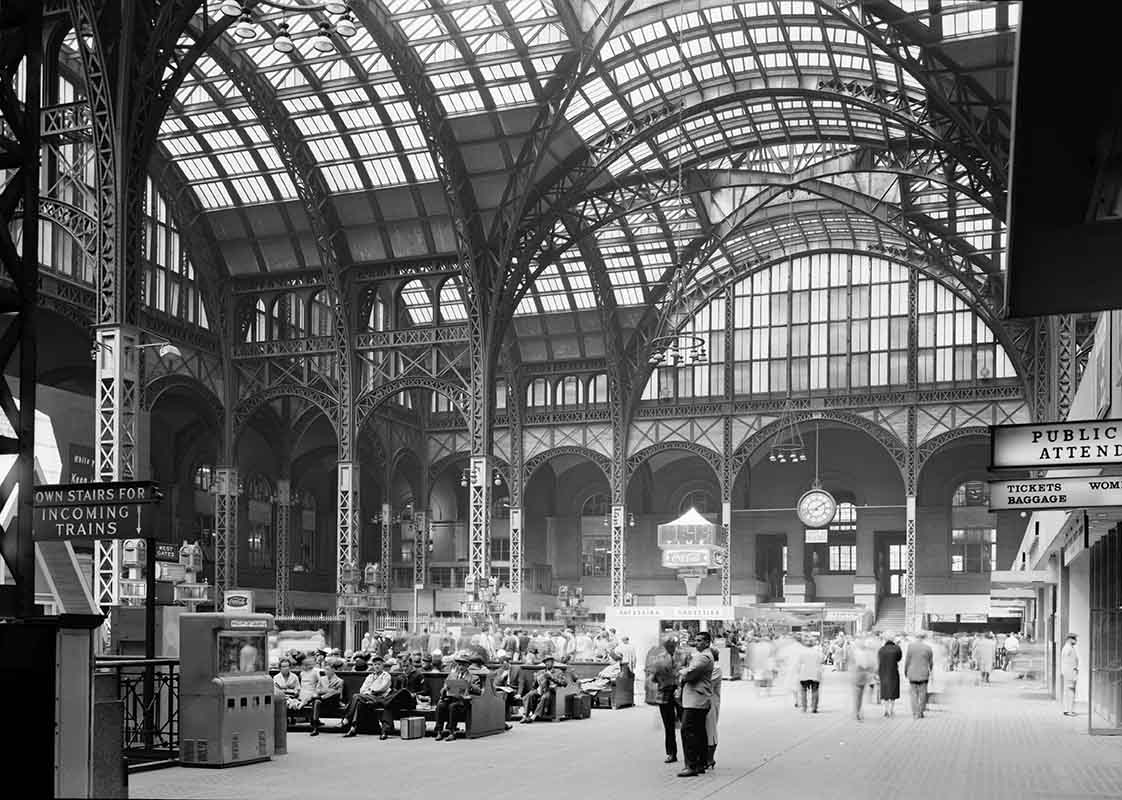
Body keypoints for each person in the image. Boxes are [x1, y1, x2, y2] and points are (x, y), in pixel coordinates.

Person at [676, 631, 714, 778]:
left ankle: (691, 765)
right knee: (698, 732)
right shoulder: (702, 656)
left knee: (688, 731)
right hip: (697, 699)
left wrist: (681, 671)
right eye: (695, 640)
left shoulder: (704, 657)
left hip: (696, 700)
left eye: (699, 641)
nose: (696, 643)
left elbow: (688, 673)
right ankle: (700, 763)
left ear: (706, 642)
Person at [647, 635, 685, 764]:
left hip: (681, 693)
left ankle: (689, 753)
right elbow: (652, 678)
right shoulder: (658, 659)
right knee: (669, 727)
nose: (669, 646)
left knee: (685, 725)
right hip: (664, 693)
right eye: (667, 644)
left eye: (671, 644)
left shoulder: (684, 656)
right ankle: (671, 753)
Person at [342, 655, 393, 738]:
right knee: (358, 701)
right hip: (368, 697)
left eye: (379, 664)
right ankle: (353, 727)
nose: (377, 666)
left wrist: (370, 691)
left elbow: (382, 688)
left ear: (382, 665)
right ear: (372, 666)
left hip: (380, 699)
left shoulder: (386, 675)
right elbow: (362, 689)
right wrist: (368, 692)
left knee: (356, 696)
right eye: (375, 664)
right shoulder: (370, 676)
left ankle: (347, 718)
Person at [434, 652, 482, 741]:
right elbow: (442, 691)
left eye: (463, 665)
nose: (460, 667)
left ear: (467, 665)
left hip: (463, 702)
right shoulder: (451, 676)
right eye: (459, 664)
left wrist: (469, 685)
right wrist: (445, 689)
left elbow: (479, 691)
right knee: (441, 706)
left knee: (453, 706)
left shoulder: (474, 677)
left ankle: (452, 732)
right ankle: (439, 731)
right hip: (450, 698)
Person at [521, 655, 567, 723]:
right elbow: (535, 686)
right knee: (529, 695)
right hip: (540, 690)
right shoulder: (540, 672)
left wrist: (552, 678)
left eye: (549, 662)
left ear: (552, 662)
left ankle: (534, 716)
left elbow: (564, 683)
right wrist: (535, 680)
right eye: (545, 662)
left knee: (544, 697)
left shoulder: (558, 672)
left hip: (552, 691)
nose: (547, 663)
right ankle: (525, 716)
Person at [309, 657, 345, 736]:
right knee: (317, 701)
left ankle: (321, 698)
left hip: (333, 702)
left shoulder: (339, 681)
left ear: (333, 670)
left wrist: (325, 691)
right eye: (325, 669)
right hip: (322, 701)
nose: (326, 671)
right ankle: (315, 727)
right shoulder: (322, 679)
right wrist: (328, 690)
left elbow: (339, 695)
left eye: (328, 670)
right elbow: (317, 690)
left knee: (335, 693)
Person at [904, 631, 934, 719]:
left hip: (912, 673)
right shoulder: (928, 648)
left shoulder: (910, 647)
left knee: (913, 694)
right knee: (923, 694)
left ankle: (915, 712)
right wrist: (930, 671)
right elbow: (931, 662)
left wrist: (905, 671)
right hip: (924, 674)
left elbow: (907, 661)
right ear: (924, 638)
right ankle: (920, 712)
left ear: (916, 637)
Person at [877, 633, 903, 718]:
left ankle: (886, 710)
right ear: (893, 639)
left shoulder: (881, 649)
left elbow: (879, 661)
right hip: (893, 672)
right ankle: (892, 710)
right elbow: (899, 658)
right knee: (893, 691)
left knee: (885, 692)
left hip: (883, 673)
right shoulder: (897, 648)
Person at [705, 643, 722, 769]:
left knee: (710, 730)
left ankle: (710, 758)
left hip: (710, 702)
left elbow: (706, 682)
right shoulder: (708, 667)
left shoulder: (715, 668)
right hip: (703, 701)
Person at [797, 636, 824, 713]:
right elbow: (822, 660)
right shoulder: (818, 652)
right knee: (815, 690)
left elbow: (798, 663)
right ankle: (814, 708)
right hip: (815, 673)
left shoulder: (801, 653)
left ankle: (804, 707)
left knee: (803, 690)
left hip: (804, 673)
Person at [1061, 633, 1080, 716]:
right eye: (1074, 638)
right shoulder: (1068, 648)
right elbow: (1068, 662)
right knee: (1071, 691)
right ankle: (1070, 711)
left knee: (1068, 691)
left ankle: (1067, 709)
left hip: (1069, 672)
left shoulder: (1068, 648)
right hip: (1070, 672)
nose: (1075, 640)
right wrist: (1073, 671)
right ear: (1069, 639)